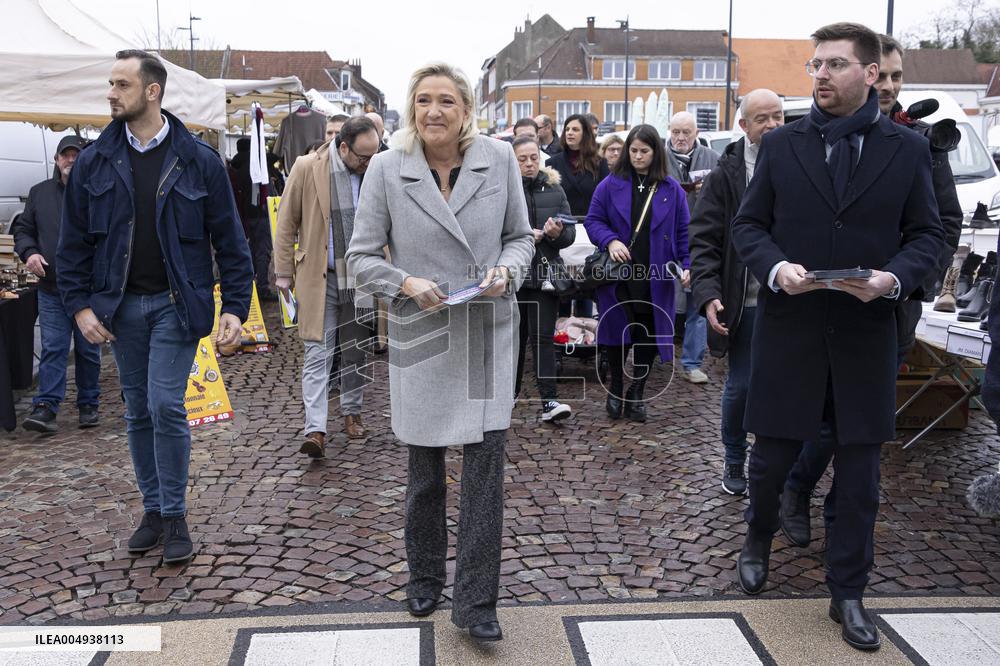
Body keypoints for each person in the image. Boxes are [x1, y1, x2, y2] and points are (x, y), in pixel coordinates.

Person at [731, 23, 943, 651]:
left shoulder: (906, 150)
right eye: (815, 64)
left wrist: (891, 280)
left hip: (865, 332)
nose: (820, 74)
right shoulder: (782, 144)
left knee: (859, 477)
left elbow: (928, 236)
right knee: (768, 461)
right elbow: (749, 226)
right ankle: (757, 537)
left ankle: (848, 591)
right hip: (790, 327)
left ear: (870, 74)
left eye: (835, 64)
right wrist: (774, 267)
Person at [346, 62, 533, 642]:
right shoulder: (386, 167)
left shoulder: (500, 160)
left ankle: (477, 603)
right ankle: (424, 578)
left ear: (466, 109)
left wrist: (508, 269)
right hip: (421, 330)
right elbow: (360, 257)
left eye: (446, 101)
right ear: (411, 107)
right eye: (423, 100)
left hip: (486, 328)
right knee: (424, 473)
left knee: (484, 476)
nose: (433, 111)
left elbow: (520, 237)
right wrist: (405, 284)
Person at [58, 50, 253, 564]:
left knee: (166, 404)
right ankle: (152, 509)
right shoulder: (95, 160)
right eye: (110, 83)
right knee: (138, 410)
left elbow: (231, 241)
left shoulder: (198, 160)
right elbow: (72, 243)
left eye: (121, 84)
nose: (110, 93)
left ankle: (174, 514)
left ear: (152, 91)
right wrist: (80, 306)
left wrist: (235, 304)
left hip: (176, 304)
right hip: (119, 308)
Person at [778, 32, 965, 547]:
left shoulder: (917, 142)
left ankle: (843, 532)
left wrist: (905, 281)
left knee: (860, 429)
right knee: (821, 417)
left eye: (899, 75)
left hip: (890, 308)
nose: (889, 83)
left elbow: (943, 225)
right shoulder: (817, 137)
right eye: (885, 72)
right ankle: (796, 485)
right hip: (819, 307)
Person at [688, 89, 784, 495]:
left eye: (778, 116)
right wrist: (709, 294)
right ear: (743, 126)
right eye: (762, 118)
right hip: (742, 299)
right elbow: (704, 239)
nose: (773, 125)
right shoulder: (725, 173)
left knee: (784, 386)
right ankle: (733, 457)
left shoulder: (799, 161)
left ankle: (776, 464)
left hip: (791, 299)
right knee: (742, 385)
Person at [274, 116, 378, 456]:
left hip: (361, 277)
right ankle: (315, 429)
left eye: (372, 156)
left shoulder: (375, 171)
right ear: (343, 146)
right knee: (317, 353)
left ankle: (351, 412)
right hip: (319, 277)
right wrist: (283, 273)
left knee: (354, 351)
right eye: (362, 157)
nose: (367, 163)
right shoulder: (307, 167)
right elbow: (286, 222)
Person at [584, 124, 690, 422]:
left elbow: (684, 232)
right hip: (619, 276)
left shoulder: (672, 189)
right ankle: (616, 388)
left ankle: (637, 392)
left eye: (644, 151)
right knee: (618, 335)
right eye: (633, 151)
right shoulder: (609, 184)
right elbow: (593, 221)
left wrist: (688, 264)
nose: (638, 156)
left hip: (655, 276)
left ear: (656, 152)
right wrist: (611, 240)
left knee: (649, 337)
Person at [13, 135, 101, 433]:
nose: (71, 161)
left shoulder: (95, 192)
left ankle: (88, 403)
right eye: (66, 155)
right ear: (56, 159)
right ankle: (46, 406)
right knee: (53, 348)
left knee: (89, 349)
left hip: (88, 288)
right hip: (52, 288)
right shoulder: (39, 193)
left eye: (77, 155)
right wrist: (30, 252)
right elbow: (23, 230)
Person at [511, 135, 574, 422]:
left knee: (543, 339)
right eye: (522, 158)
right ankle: (508, 396)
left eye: (533, 157)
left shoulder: (555, 189)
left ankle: (549, 400)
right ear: (513, 160)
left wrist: (556, 233)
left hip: (545, 275)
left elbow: (570, 234)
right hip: (512, 276)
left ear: (541, 158)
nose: (528, 164)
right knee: (512, 340)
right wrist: (526, 235)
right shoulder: (504, 189)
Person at [667, 111, 720, 385]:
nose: (680, 138)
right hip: (665, 241)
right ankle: (658, 356)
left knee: (697, 305)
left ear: (696, 133)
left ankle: (692, 362)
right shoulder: (659, 159)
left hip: (701, 240)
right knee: (663, 303)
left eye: (686, 132)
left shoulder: (712, 159)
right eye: (676, 132)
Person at [230, 137, 277, 300]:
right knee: (263, 251)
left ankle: (248, 283)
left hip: (247, 214)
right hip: (261, 212)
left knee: (252, 250)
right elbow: (275, 156)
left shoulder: (237, 166)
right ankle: (262, 287)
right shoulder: (255, 165)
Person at [548, 114, 610, 217]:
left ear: (585, 133)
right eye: (567, 129)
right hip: (563, 224)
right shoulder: (552, 163)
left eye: (575, 129)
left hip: (591, 222)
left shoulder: (599, 163)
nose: (570, 133)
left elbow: (606, 197)